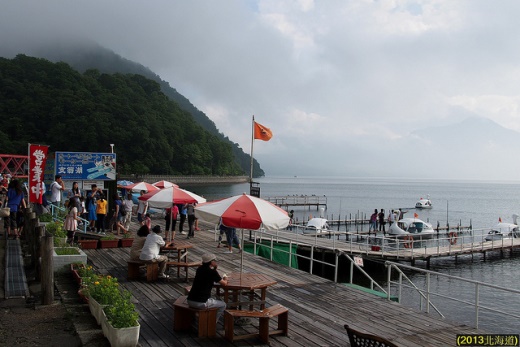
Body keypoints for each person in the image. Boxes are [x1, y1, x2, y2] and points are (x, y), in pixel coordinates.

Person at [187, 253, 228, 323]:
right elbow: (224, 283)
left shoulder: (199, 269)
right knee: (223, 305)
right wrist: (225, 278)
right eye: (215, 260)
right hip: (200, 302)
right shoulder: (212, 272)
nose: (216, 262)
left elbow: (206, 278)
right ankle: (212, 323)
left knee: (213, 299)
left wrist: (214, 269)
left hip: (190, 300)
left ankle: (202, 317)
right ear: (211, 262)